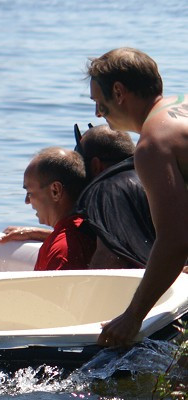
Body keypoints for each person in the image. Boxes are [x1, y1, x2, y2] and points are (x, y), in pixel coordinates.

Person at [86, 48, 188, 347]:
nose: (97, 115)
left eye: (98, 103)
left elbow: (174, 240)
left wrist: (133, 316)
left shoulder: (153, 144)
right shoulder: (181, 106)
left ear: (118, 92)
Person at [74, 124, 155, 268]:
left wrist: (87, 289)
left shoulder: (107, 190)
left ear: (95, 165)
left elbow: (109, 255)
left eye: (80, 163)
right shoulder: (154, 178)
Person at [0, 147, 94, 270]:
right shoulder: (88, 229)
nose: (27, 201)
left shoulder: (62, 251)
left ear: (55, 191)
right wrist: (35, 233)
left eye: (29, 193)